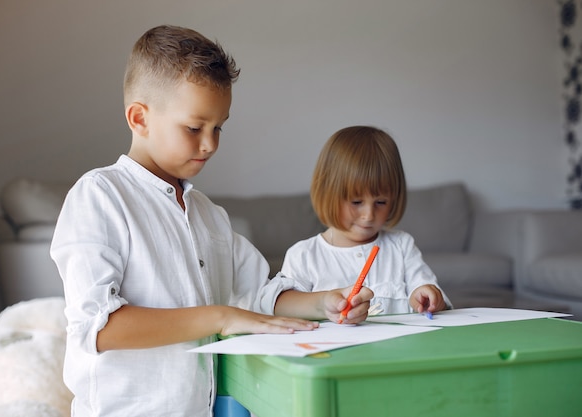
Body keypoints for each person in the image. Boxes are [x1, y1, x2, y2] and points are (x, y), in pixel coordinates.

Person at [50, 25, 366, 417]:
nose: (211, 143)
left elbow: (258, 295)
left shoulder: (209, 215)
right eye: (194, 128)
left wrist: (323, 303)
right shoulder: (99, 196)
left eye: (219, 127)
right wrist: (220, 316)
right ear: (139, 118)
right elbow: (99, 328)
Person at [265, 125, 452, 320]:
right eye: (356, 202)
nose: (369, 215)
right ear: (327, 194)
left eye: (381, 202)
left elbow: (430, 296)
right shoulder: (303, 256)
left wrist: (430, 296)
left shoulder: (402, 246)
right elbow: (283, 310)